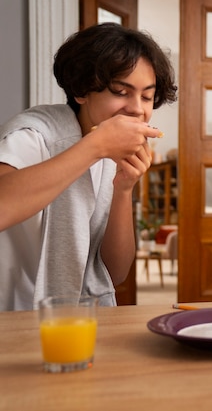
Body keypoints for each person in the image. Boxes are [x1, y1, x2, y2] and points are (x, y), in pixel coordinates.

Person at [0, 23, 178, 311]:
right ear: (82, 90)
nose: (137, 109)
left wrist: (123, 189)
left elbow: (114, 274)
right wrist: (94, 147)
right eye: (121, 91)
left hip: (77, 323)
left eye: (146, 96)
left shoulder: (112, 156)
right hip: (13, 317)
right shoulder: (33, 136)